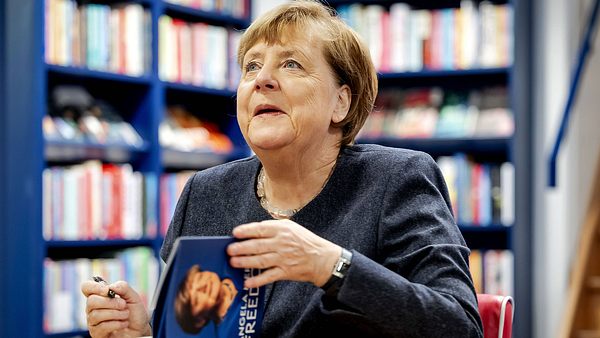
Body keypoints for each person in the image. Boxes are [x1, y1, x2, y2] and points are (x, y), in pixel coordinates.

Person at [81, 1, 484, 337]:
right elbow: (194, 328)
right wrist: (144, 334)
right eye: (251, 67)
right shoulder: (205, 193)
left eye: (291, 64)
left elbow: (460, 325)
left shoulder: (396, 179)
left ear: (340, 103)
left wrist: (331, 265)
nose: (263, 80)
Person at [174, 265, 238, 334]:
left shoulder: (234, 264)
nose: (203, 286)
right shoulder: (229, 333)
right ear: (200, 321)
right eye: (196, 299)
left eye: (199, 278)